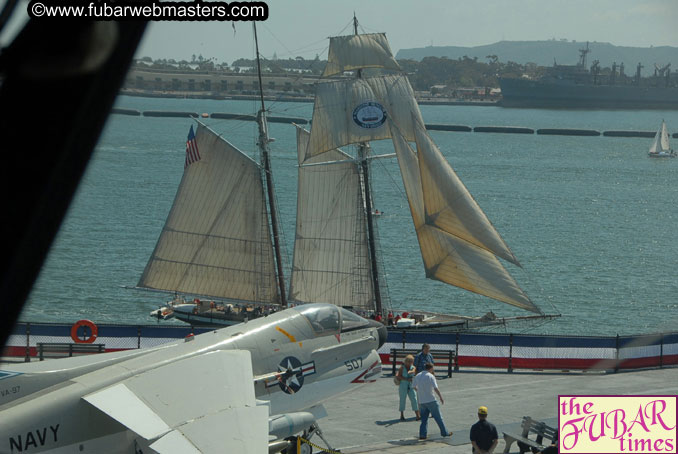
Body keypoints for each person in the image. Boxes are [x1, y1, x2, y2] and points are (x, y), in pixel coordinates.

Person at [412, 363, 451, 440]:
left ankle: (422, 434)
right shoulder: (431, 376)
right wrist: (440, 397)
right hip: (431, 400)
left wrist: (419, 392)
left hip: (422, 401)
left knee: (424, 420)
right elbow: (435, 388)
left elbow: (413, 386)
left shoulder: (418, 375)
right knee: (438, 418)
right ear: (430, 368)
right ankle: (444, 432)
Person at [396, 355, 420, 421]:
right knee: (402, 399)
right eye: (408, 361)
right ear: (405, 361)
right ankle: (402, 415)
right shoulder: (402, 368)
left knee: (414, 399)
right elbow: (398, 376)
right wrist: (406, 379)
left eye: (411, 361)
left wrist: (412, 373)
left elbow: (414, 372)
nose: (410, 363)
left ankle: (417, 415)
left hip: (411, 385)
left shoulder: (413, 367)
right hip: (403, 385)